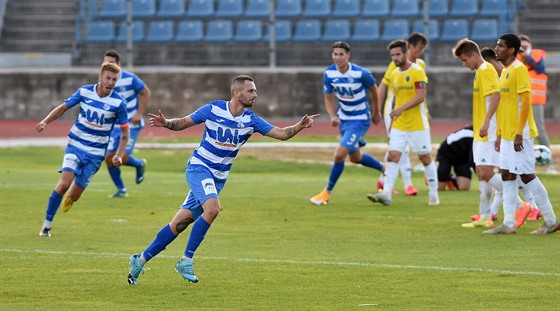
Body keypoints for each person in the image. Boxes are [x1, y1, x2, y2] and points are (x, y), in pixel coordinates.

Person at [127, 75, 319, 285]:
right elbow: (183, 123)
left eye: (255, 91)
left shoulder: (251, 120)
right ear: (237, 93)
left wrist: (299, 126)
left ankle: (140, 259)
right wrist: (167, 123)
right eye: (251, 91)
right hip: (199, 168)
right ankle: (186, 260)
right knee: (213, 209)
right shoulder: (213, 109)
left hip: (218, 179)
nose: (255, 95)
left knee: (180, 224)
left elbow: (282, 133)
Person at [37, 62, 129, 237]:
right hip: (76, 145)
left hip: (95, 155)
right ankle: (46, 226)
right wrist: (45, 121)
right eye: (108, 78)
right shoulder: (84, 92)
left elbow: (125, 132)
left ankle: (71, 197)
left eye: (114, 80)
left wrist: (119, 155)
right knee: (64, 183)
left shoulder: (118, 103)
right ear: (100, 78)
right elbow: (63, 108)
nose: (110, 82)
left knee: (75, 195)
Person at [483, 33, 559, 234]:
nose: (496, 48)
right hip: (507, 133)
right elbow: (506, 105)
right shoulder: (505, 71)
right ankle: (508, 223)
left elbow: (526, 102)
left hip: (520, 134)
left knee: (526, 175)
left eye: (500, 46)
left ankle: (551, 220)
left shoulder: (519, 70)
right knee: (507, 174)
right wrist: (500, 132)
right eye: (497, 45)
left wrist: (518, 132)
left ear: (511, 51)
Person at [310, 41, 385, 205]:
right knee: (355, 158)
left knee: (339, 154)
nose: (338, 58)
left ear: (348, 55)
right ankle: (385, 169)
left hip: (359, 120)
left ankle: (326, 192)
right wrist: (332, 116)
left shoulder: (361, 73)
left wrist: (376, 112)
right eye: (335, 54)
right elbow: (328, 98)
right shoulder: (329, 74)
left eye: (341, 54)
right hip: (344, 120)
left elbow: (374, 90)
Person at [367, 40, 439, 206]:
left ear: (406, 53)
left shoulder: (417, 71)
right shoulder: (394, 74)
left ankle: (434, 195)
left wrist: (401, 109)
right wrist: (392, 118)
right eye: (392, 55)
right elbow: (396, 99)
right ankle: (386, 194)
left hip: (417, 124)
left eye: (398, 54)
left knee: (424, 157)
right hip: (399, 124)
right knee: (393, 156)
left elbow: (421, 96)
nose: (395, 58)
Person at [376, 33, 427, 196]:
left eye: (423, 48)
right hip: (393, 111)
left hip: (413, 113)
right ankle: (408, 184)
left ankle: (383, 179)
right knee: (400, 148)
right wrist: (377, 109)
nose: (422, 51)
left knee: (396, 147)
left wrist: (426, 112)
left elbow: (420, 93)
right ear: (410, 48)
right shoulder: (395, 64)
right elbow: (383, 85)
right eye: (419, 48)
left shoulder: (420, 66)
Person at [103, 49, 151, 198]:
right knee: (109, 158)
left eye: (111, 63)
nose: (107, 65)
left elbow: (146, 93)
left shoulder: (130, 79)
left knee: (121, 157)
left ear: (118, 64)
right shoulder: (103, 80)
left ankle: (139, 164)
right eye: (105, 62)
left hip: (131, 124)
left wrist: (138, 113)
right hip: (114, 126)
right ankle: (121, 189)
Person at [516, 35, 556, 174]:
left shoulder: (538, 54)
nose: (522, 49)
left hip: (535, 101)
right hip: (519, 101)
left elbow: (540, 69)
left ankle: (549, 165)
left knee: (539, 130)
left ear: (530, 46)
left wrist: (527, 56)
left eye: (525, 46)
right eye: (521, 46)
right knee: (520, 131)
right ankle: (525, 164)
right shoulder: (516, 59)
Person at [435, 124, 475, 191]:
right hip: (447, 154)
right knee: (440, 188)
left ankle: (451, 178)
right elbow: (473, 160)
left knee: (464, 188)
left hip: (463, 158)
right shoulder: (472, 134)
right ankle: (437, 173)